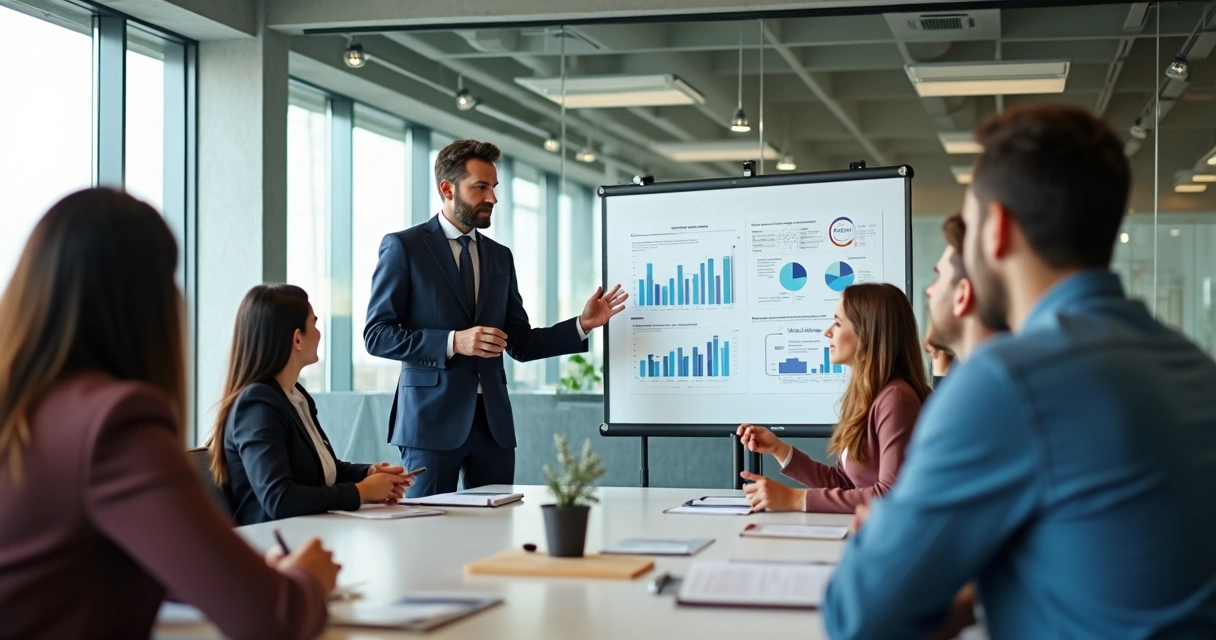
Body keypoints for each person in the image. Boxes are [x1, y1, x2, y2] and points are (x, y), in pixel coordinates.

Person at [823, 104, 1216, 640]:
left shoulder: (1004, 382)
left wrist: (879, 537)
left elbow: (860, 619)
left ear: (997, 230)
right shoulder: (1192, 365)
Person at [0, 188, 336, 639]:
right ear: (148, 300)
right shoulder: (115, 422)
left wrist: (240, 574)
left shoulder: (27, 410)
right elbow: (271, 620)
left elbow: (70, 570)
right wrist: (306, 578)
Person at [365, 139, 627, 497]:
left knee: (495, 530)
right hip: (430, 424)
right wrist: (454, 341)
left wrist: (582, 324)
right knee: (423, 528)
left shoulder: (500, 257)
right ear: (447, 188)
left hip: (493, 427)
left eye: (494, 187)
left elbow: (517, 341)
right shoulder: (404, 247)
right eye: (481, 187)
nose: (492, 198)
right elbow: (377, 334)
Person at [210, 284, 415, 526]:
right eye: (315, 324)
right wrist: (361, 491)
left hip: (311, 532)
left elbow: (321, 470)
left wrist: (368, 473)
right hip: (275, 545)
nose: (319, 333)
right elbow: (280, 499)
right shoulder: (257, 404)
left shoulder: (295, 396)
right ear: (297, 338)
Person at [736, 283, 931, 514]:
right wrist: (779, 449)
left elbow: (890, 495)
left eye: (838, 323)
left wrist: (794, 499)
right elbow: (844, 483)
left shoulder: (896, 399)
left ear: (867, 333)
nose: (827, 332)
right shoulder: (868, 396)